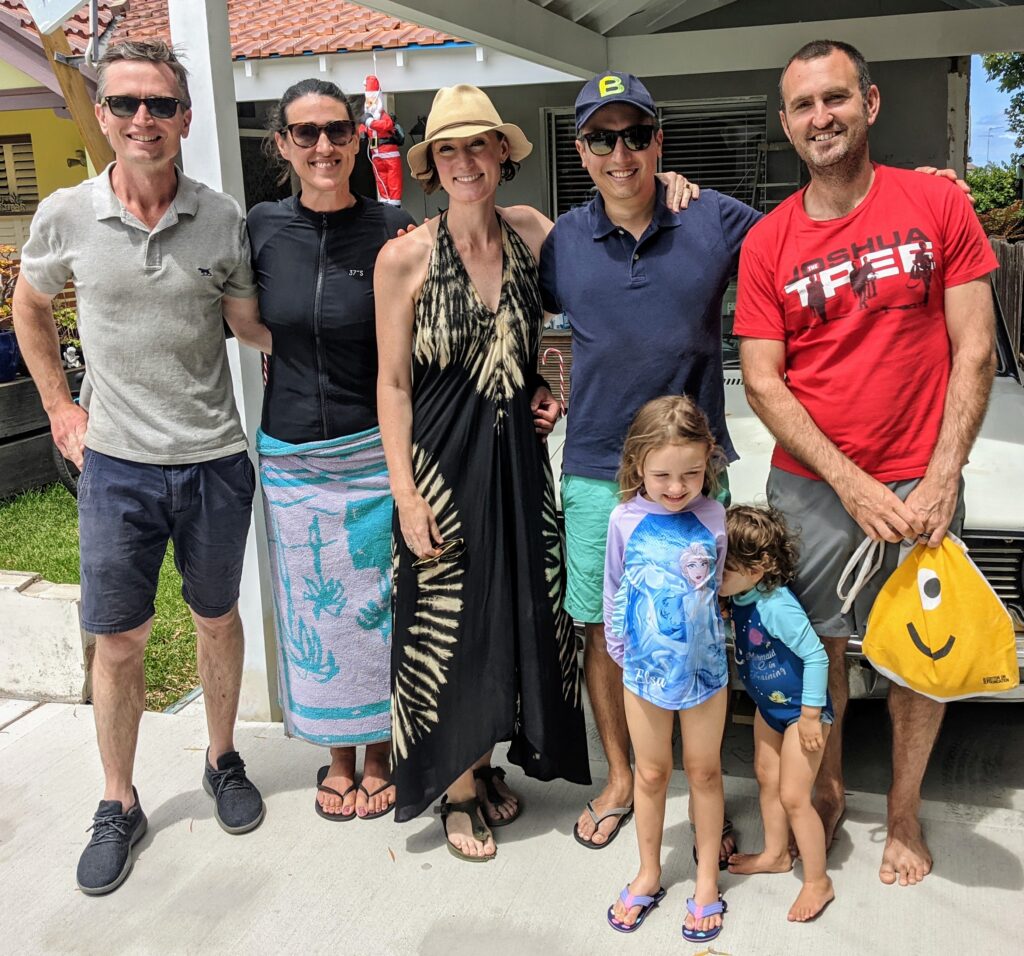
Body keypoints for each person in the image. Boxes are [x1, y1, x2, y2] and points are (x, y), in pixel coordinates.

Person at [735, 39, 998, 887]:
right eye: (804, 105)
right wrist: (849, 481)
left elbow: (976, 348)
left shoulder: (936, 205)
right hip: (813, 489)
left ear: (870, 104)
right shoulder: (768, 241)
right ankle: (835, 787)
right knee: (822, 652)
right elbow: (764, 381)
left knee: (923, 652)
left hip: (923, 479)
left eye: (836, 98)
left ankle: (905, 811)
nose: (822, 117)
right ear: (786, 124)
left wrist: (944, 474)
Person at [12, 40, 271, 895]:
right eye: (125, 105)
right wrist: (59, 405)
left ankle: (223, 757)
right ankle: (118, 801)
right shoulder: (66, 214)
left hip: (214, 459)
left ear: (185, 118)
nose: (142, 120)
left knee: (215, 618)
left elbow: (249, 326)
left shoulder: (223, 217)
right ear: (104, 116)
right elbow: (31, 304)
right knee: (119, 641)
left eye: (159, 105)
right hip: (118, 465)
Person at [539, 71, 760, 861]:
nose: (621, 152)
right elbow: (505, 308)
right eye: (603, 138)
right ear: (582, 151)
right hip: (599, 469)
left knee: (704, 625)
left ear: (659, 141)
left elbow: (813, 233)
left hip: (696, 477)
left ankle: (705, 785)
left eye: (636, 135)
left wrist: (923, 191)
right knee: (606, 631)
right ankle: (625, 778)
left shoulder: (714, 220)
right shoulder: (562, 242)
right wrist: (538, 386)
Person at [375, 84, 591, 860]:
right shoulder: (403, 257)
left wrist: (552, 390)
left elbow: (574, 320)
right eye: (448, 150)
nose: (465, 161)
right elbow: (393, 384)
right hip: (441, 465)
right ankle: (456, 791)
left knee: (517, 613)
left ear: (503, 152)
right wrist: (403, 493)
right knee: (451, 620)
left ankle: (489, 763)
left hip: (519, 465)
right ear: (433, 165)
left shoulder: (535, 233)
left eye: (478, 145)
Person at [247, 79, 415, 820]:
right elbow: (242, 315)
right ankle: (334, 754)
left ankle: (379, 751)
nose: (323, 145)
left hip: (372, 451)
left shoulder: (392, 226)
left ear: (358, 138)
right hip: (292, 459)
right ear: (282, 144)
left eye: (337, 130)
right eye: (305, 132)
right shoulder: (258, 228)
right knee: (317, 616)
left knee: (376, 609)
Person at [603, 395, 729, 942]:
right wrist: (619, 649)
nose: (677, 487)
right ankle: (650, 872)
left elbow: (720, 586)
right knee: (651, 774)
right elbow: (613, 588)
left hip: (705, 673)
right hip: (643, 674)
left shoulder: (716, 515)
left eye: (691, 474)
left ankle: (706, 881)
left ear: (709, 466)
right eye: (662, 475)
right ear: (637, 466)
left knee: (704, 771)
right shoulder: (624, 519)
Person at [720, 506, 835, 922]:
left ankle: (818, 881)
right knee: (766, 779)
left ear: (760, 566)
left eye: (725, 570)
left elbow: (816, 656)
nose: (717, 578)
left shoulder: (776, 606)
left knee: (793, 796)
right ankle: (775, 853)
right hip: (770, 709)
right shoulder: (741, 597)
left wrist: (808, 716)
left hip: (802, 714)